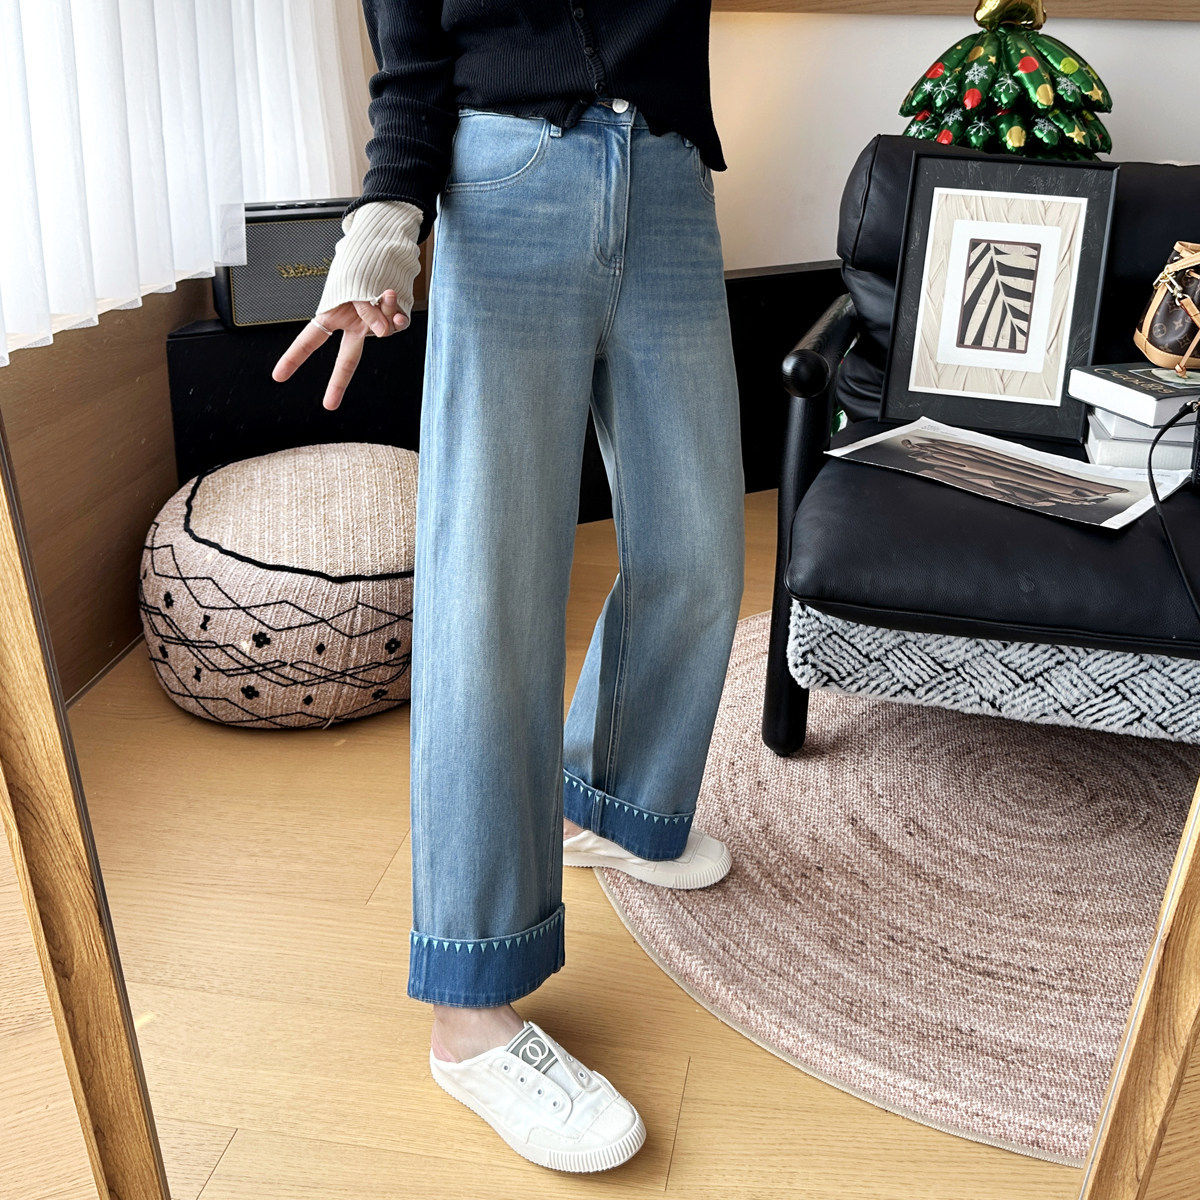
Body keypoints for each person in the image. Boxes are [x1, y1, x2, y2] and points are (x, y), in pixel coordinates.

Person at [273, 0, 744, 1173]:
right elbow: (412, 56)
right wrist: (386, 219)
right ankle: (470, 1010)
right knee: (490, 599)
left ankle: (610, 802)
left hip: (669, 173)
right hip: (510, 179)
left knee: (699, 549)